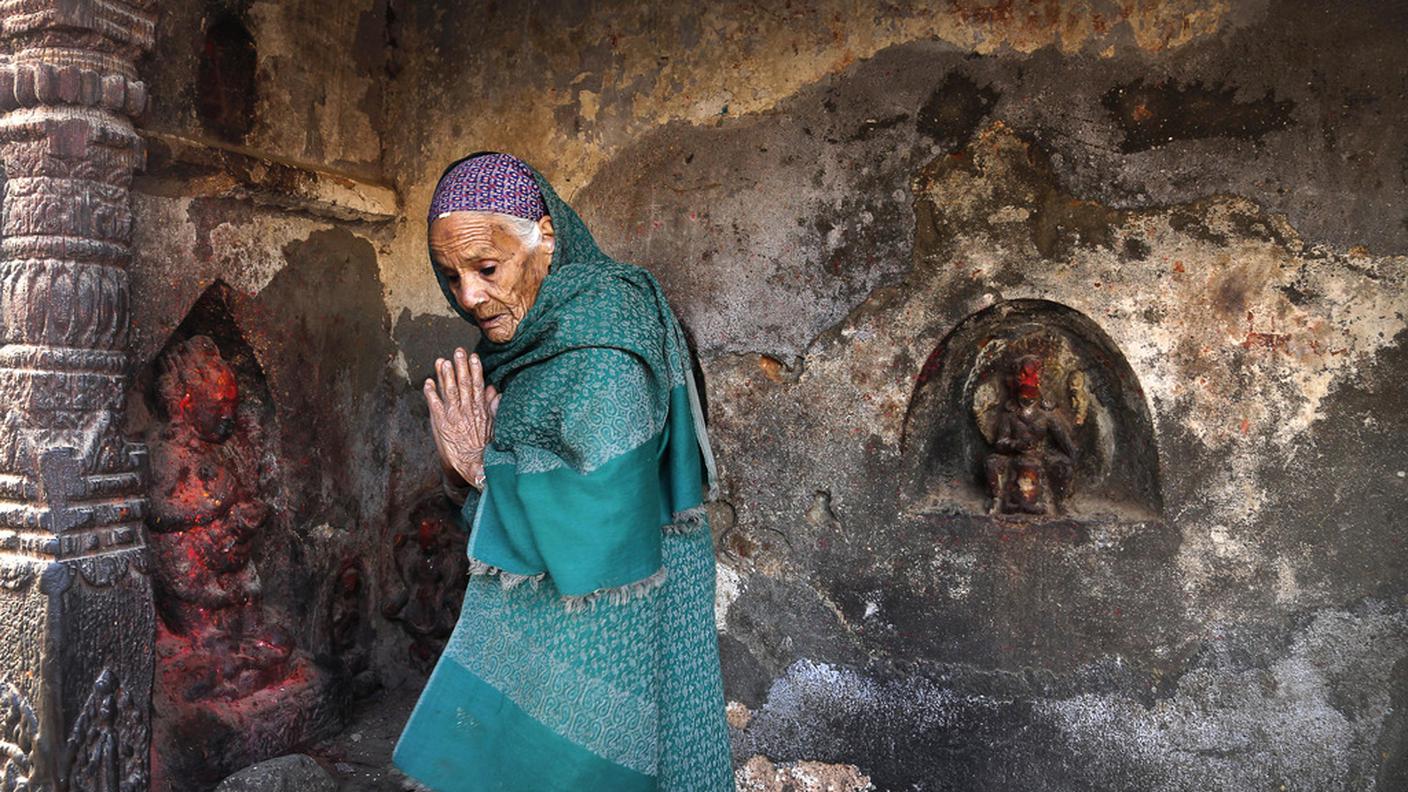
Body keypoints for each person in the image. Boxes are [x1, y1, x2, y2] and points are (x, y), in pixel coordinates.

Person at [391, 153, 734, 791]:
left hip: (609, 624)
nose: (468, 297)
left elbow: (599, 515)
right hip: (556, 613)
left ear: (545, 234)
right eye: (451, 276)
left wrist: (478, 469)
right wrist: (470, 471)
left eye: (486, 268)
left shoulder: (607, 339)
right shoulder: (528, 339)